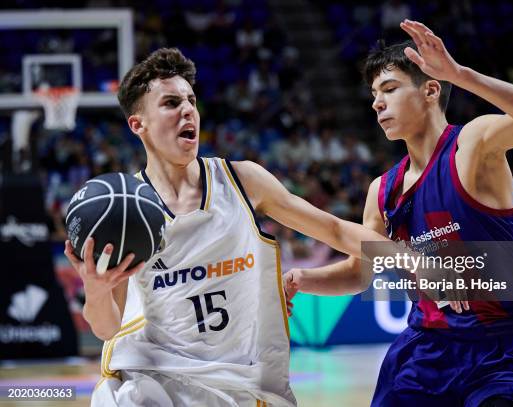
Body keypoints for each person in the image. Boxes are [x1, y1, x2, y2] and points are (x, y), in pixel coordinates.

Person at [63, 48, 392, 407]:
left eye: (191, 100)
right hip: (159, 380)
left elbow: (336, 231)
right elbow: (107, 328)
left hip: (246, 383)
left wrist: (418, 261)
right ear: (138, 124)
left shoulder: (241, 180)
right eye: (171, 103)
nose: (188, 110)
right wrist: (95, 289)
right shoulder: (130, 212)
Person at [283, 20, 513, 406]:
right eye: (373, 94)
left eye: (389, 89)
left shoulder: (472, 146)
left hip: (508, 351)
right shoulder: (381, 191)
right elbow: (358, 272)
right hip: (427, 350)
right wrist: (302, 277)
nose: (376, 102)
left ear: (431, 89)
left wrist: (461, 75)